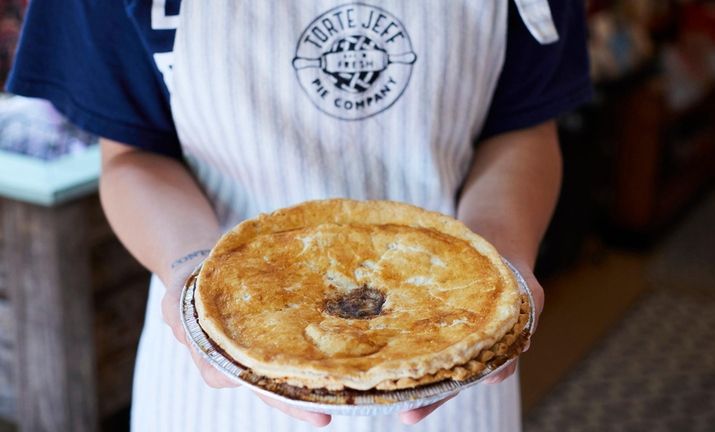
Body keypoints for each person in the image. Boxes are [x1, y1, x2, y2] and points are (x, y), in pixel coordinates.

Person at [8, 0, 591, 430]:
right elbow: (133, 154)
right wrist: (192, 272)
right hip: (217, 378)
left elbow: (522, 125)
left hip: (453, 358)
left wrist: (496, 275)